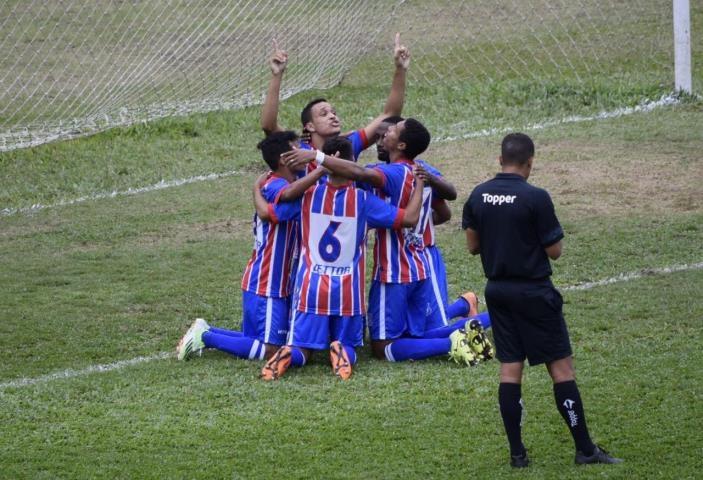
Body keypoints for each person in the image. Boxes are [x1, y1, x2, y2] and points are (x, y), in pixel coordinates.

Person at [462, 132, 622, 467]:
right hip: (534, 293)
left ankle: (518, 455)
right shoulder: (536, 197)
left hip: (498, 292)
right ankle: (584, 450)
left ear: (499, 159)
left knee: (510, 371)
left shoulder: (478, 195)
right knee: (561, 369)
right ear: (530, 162)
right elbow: (555, 251)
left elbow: (473, 246)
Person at [282, 119, 492, 365]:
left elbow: (358, 173)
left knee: (383, 346)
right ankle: (491, 318)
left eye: (391, 131)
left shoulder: (389, 174)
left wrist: (315, 157)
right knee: (419, 331)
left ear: (401, 144)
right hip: (421, 264)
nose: (384, 134)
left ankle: (453, 342)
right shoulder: (422, 170)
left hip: (394, 270)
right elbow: (447, 203)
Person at [254, 136, 432, 380]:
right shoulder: (363, 201)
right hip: (348, 292)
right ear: (350, 163)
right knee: (349, 343)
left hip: (310, 289)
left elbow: (270, 214)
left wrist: (256, 191)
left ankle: (289, 354)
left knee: (301, 347)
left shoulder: (307, 196)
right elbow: (409, 219)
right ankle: (342, 353)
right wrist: (420, 186)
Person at [175, 131, 325, 362]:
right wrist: (322, 169)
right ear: (285, 159)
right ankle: (206, 337)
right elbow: (283, 200)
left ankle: (207, 330)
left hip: (272, 281)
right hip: (267, 282)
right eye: (297, 149)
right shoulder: (273, 184)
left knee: (261, 340)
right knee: (271, 350)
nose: (304, 154)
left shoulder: (283, 182)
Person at [260, 34, 410, 162]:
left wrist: (400, 69)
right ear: (310, 126)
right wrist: (277, 75)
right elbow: (269, 126)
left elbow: (390, 115)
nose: (332, 116)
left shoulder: (349, 145)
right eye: (324, 114)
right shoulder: (299, 149)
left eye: (333, 113)